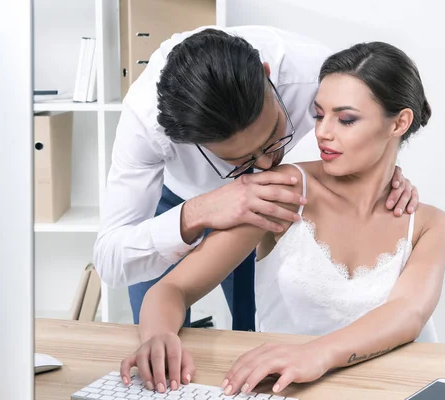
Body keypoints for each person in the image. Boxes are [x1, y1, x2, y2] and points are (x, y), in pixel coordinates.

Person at [118, 41, 445, 395]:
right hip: (289, 390)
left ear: (399, 123)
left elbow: (408, 314)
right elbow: (172, 288)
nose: (323, 132)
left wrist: (316, 355)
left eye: (346, 119)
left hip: (400, 389)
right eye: (319, 114)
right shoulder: (281, 192)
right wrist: (159, 337)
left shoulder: (430, 224)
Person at [93, 26, 420, 331]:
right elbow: (111, 260)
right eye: (242, 159)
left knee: (252, 325)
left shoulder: (313, 74)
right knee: (157, 330)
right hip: (175, 202)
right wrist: (198, 211)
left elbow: (376, 120)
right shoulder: (145, 121)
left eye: (273, 136)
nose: (267, 162)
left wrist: (383, 172)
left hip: (266, 205)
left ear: (267, 76)